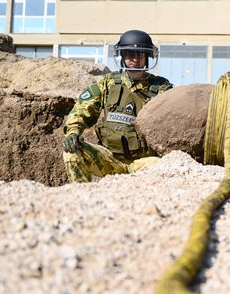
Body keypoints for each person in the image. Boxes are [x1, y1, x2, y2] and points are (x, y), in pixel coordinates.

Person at [62, 29, 173, 182]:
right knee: (71, 152)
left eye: (139, 54)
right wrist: (73, 132)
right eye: (129, 54)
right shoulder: (108, 83)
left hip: (144, 162)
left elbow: (174, 124)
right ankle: (83, 197)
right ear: (122, 57)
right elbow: (81, 111)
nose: (134, 59)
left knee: (167, 166)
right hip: (109, 159)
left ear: (147, 57)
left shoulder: (162, 88)